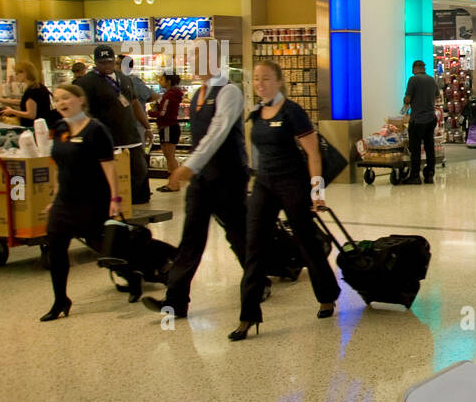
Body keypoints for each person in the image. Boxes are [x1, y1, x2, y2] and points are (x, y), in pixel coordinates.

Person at [229, 61, 340, 341]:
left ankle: (327, 296)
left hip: (293, 184)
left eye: (266, 79)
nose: (260, 84)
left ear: (279, 81)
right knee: (254, 248)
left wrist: (317, 192)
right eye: (256, 79)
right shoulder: (256, 113)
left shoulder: (293, 112)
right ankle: (247, 315)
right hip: (264, 185)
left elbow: (314, 154)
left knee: (307, 243)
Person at [140, 64, 252, 321]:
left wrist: (190, 165)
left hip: (229, 176)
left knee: (238, 235)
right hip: (202, 179)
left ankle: (258, 282)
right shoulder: (196, 94)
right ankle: (176, 302)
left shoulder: (229, 92)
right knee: (191, 240)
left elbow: (218, 132)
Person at [40, 83, 121, 321]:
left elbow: (109, 167)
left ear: (80, 100)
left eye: (66, 98)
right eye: (57, 100)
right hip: (64, 200)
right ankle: (60, 299)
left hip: (92, 199)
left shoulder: (97, 130)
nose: (62, 103)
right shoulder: (58, 128)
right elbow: (59, 166)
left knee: (101, 246)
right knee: (55, 247)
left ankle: (132, 274)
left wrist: (115, 198)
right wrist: (54, 198)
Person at [75, 45, 151, 204]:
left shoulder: (124, 79)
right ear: (96, 62)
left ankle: (126, 202)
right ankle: (113, 205)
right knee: (110, 176)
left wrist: (147, 126)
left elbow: (135, 103)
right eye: (102, 63)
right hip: (108, 139)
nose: (106, 66)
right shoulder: (87, 83)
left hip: (131, 136)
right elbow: (82, 111)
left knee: (140, 170)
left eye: (109, 62)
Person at [402, 60, 439, 184]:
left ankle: (415, 176)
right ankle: (429, 174)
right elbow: (437, 96)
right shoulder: (432, 80)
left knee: (415, 148)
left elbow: (408, 99)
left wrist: (407, 101)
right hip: (431, 118)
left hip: (417, 119)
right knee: (429, 147)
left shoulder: (413, 80)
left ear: (415, 68)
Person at [0, 61, 56, 127]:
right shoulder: (39, 87)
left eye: (17, 73)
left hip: (33, 127)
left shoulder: (31, 91)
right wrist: (0, 100)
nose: (16, 75)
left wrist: (12, 111)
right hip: (44, 125)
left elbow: (31, 115)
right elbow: (25, 102)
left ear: (25, 73)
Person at [151, 72, 185, 190]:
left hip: (168, 126)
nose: (160, 81)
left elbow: (163, 113)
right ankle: (171, 182)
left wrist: (151, 113)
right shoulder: (172, 94)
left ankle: (174, 183)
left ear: (169, 81)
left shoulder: (170, 95)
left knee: (169, 156)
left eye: (162, 79)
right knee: (168, 155)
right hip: (169, 126)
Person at [119, 55, 155, 146]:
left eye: (117, 63)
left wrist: (147, 128)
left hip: (136, 126)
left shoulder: (133, 81)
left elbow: (151, 96)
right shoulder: (115, 81)